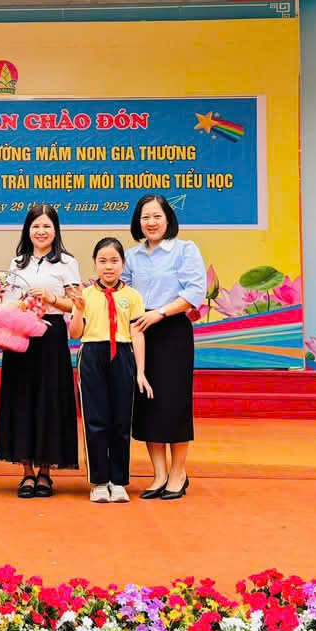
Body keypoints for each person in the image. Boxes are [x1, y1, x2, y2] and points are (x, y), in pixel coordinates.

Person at [123, 194, 205, 501]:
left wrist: (160, 312)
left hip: (172, 330)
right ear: (138, 222)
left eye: (157, 216)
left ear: (168, 219)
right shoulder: (131, 256)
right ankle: (158, 474)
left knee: (174, 404)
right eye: (145, 217)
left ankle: (178, 473)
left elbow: (195, 291)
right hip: (141, 332)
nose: (151, 222)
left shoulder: (185, 249)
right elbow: (123, 293)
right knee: (148, 404)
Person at [0, 204, 80, 498]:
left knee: (49, 400)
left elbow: (76, 304)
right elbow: (7, 301)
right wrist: (16, 305)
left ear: (55, 230)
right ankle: (26, 473)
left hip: (51, 337)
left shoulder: (67, 262)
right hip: (21, 337)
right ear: (27, 230)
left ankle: (45, 473)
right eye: (35, 226)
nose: (41, 231)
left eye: (46, 226)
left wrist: (52, 298)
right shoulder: (17, 262)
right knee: (22, 399)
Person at [68, 237, 151, 504]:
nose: (108, 266)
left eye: (114, 261)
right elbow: (75, 333)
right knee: (95, 420)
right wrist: (78, 310)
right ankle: (99, 482)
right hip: (92, 354)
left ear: (123, 264)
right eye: (102, 261)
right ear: (94, 264)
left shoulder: (132, 296)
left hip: (123, 355)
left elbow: (137, 334)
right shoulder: (85, 295)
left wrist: (140, 372)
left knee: (121, 420)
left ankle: (118, 481)